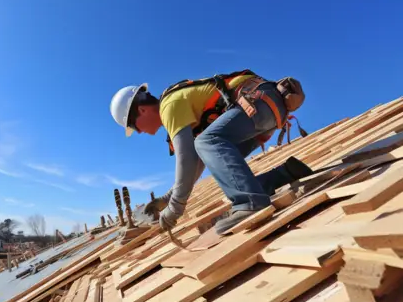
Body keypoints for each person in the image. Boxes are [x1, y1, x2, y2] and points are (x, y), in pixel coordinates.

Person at [109, 70, 312, 235]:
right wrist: (166, 199)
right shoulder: (174, 107)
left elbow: (186, 159)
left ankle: (251, 203)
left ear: (142, 111)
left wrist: (174, 209)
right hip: (263, 112)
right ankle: (285, 174)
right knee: (224, 170)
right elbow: (198, 161)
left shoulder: (168, 106)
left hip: (258, 104)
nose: (141, 132)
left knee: (205, 142)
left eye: (135, 127)